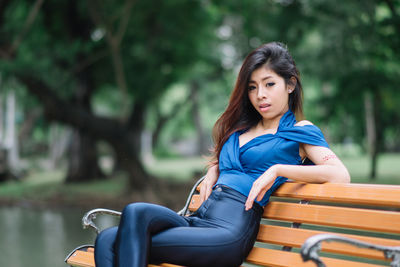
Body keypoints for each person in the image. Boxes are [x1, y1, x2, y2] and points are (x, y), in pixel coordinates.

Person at [94, 42, 350, 267]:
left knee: (116, 241)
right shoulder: (242, 130)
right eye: (252, 87)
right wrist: (214, 168)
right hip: (200, 220)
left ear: (290, 84)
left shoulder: (298, 131)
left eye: (269, 84)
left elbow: (340, 175)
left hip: (229, 232)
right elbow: (234, 163)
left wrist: (278, 170)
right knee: (119, 226)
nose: (260, 95)